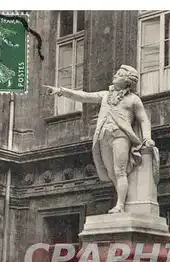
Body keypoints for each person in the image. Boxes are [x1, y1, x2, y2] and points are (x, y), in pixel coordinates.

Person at [44, 64, 158, 214]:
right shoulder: (105, 95)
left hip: (120, 136)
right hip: (104, 137)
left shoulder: (133, 100)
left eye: (119, 74)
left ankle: (120, 205)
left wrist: (147, 138)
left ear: (126, 81)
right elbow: (84, 96)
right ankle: (123, 201)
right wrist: (61, 91)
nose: (115, 75)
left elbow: (144, 120)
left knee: (120, 171)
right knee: (111, 173)